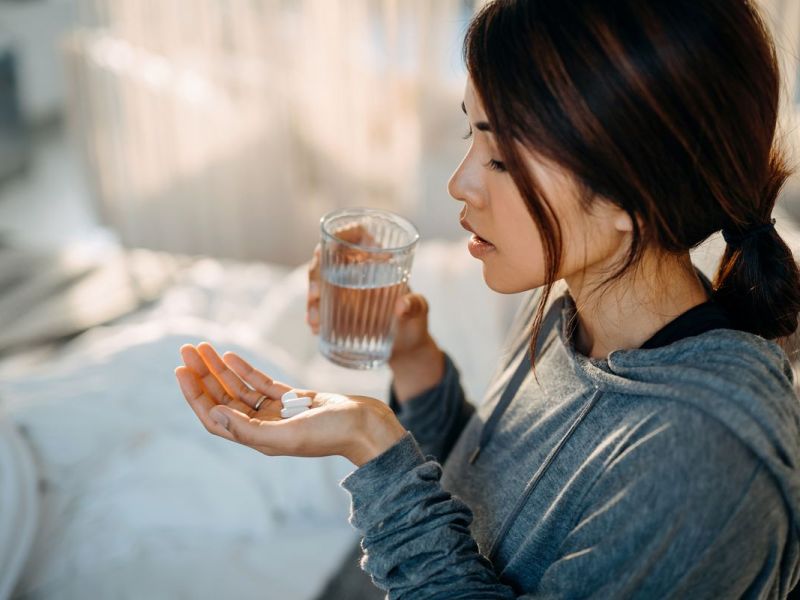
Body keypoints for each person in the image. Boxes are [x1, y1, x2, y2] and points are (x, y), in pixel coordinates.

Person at [175, 0, 800, 597]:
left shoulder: (704, 459)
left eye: (499, 158)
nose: (459, 184)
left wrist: (373, 444)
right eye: (470, 133)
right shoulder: (575, 307)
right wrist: (415, 363)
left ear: (631, 196)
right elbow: (486, 505)